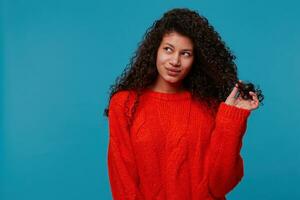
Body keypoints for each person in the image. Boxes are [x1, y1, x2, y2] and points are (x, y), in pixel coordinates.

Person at [104, 8, 263, 200]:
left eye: (185, 53)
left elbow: (220, 185)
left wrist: (232, 118)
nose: (175, 61)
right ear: (155, 50)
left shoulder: (209, 106)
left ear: (196, 59)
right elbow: (123, 184)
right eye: (168, 49)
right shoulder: (125, 103)